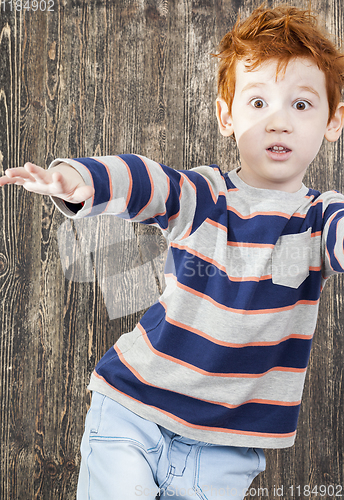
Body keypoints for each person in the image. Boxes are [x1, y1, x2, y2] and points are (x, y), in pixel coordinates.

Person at [1, 4, 344, 499]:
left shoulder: (319, 221)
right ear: (226, 115)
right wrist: (77, 180)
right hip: (135, 413)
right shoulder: (205, 196)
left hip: (225, 451)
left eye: (301, 105)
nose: (278, 122)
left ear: (333, 122)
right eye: (257, 103)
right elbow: (147, 180)